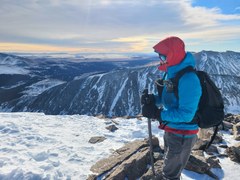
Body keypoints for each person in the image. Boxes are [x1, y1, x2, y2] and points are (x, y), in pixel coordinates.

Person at [141, 36, 202, 180]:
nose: (160, 59)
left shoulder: (189, 79)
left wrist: (158, 114)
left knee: (171, 173)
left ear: (173, 55)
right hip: (171, 129)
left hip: (183, 134)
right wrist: (153, 100)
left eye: (163, 55)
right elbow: (167, 99)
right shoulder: (171, 73)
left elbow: (186, 114)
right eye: (159, 56)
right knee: (170, 166)